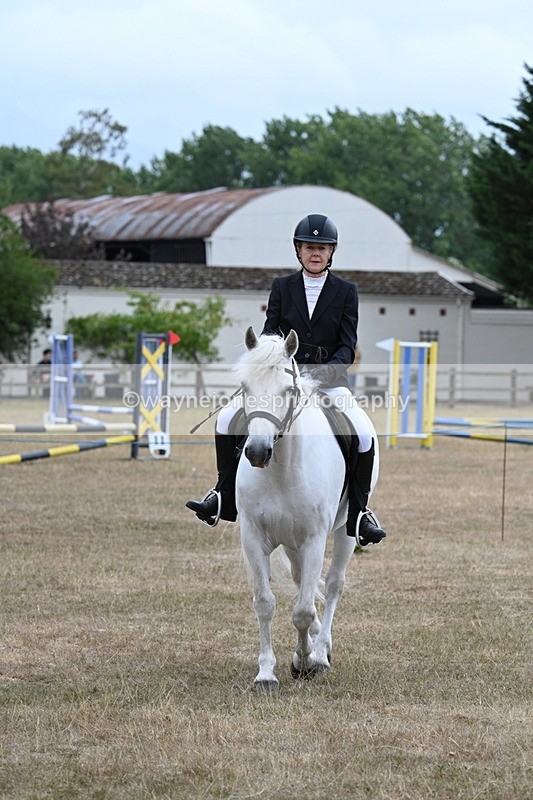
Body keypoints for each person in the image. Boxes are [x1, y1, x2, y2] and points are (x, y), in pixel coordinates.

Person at [186, 214, 387, 547]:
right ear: (299, 250)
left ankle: (361, 513)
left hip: (329, 380)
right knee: (225, 419)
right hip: (281, 378)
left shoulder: (346, 291)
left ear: (331, 252)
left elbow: (347, 345)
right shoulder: (282, 287)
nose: (316, 253)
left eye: (322, 248)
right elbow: (270, 333)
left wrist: (321, 373)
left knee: (362, 433)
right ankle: (222, 495)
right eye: (310, 247)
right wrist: (271, 362)